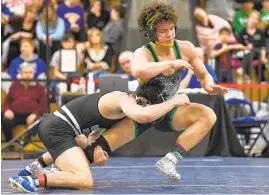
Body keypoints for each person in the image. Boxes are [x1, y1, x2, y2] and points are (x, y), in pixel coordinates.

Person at [9, 91, 190, 193]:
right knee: (85, 180)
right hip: (58, 130)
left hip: (60, 128)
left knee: (81, 143)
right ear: (140, 100)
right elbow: (142, 116)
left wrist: (98, 155)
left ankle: (33, 167)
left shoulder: (121, 110)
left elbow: (90, 137)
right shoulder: (123, 99)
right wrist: (174, 101)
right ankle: (31, 180)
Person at [130, 2, 227, 181]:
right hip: (142, 111)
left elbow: (204, 74)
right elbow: (137, 71)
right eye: (163, 31)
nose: (170, 34)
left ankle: (170, 159)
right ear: (151, 32)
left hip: (169, 110)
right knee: (101, 149)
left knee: (208, 115)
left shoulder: (185, 48)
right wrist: (170, 64)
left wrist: (209, 85)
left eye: (172, 28)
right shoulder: (143, 52)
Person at [2, 63, 46, 150]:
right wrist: (7, 110)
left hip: (32, 115)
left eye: (30, 72)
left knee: (40, 121)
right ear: (21, 74)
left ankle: (24, 142)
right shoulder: (14, 86)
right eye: (25, 72)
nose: (28, 75)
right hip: (15, 114)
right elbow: (7, 102)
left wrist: (34, 113)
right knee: (5, 119)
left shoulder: (39, 87)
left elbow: (42, 104)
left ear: (33, 74)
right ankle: (9, 144)